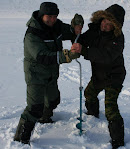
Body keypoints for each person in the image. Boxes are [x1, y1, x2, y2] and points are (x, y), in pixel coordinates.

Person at [14, 2, 84, 144]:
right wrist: (68, 55)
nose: (52, 19)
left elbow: (70, 31)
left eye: (54, 16)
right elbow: (42, 56)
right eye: (49, 16)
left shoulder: (56, 26)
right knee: (34, 108)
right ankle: (20, 140)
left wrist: (76, 26)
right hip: (36, 74)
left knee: (53, 100)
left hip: (51, 73)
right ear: (41, 15)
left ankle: (44, 118)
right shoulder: (33, 33)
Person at [71, 4, 126, 149]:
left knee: (110, 108)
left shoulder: (118, 39)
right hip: (99, 75)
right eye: (104, 21)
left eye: (110, 24)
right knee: (89, 93)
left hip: (114, 77)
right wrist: (76, 37)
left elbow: (106, 56)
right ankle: (93, 115)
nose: (105, 25)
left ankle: (118, 141)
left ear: (116, 26)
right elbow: (82, 40)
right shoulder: (94, 31)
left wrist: (85, 51)